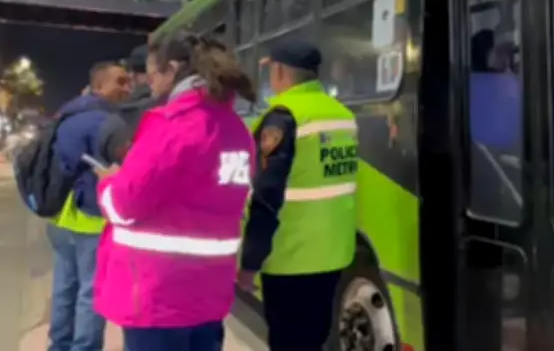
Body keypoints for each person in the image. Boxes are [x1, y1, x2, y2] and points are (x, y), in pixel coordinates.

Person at [93, 33, 256, 351]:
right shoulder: (237, 129)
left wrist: (108, 183)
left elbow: (125, 204)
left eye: (153, 74)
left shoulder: (172, 126)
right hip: (210, 293)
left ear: (172, 70)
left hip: (160, 296)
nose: (150, 84)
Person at [237, 40, 359, 351]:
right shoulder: (342, 114)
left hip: (292, 258)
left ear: (279, 71)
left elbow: (266, 197)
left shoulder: (284, 117)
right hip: (334, 253)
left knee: (288, 341)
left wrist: (250, 262)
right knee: (314, 338)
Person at [48, 61, 131, 351]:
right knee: (92, 293)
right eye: (119, 82)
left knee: (64, 288)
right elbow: (128, 168)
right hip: (93, 218)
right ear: (99, 86)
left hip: (61, 216)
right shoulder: (108, 122)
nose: (127, 89)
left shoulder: (66, 115)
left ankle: (59, 345)